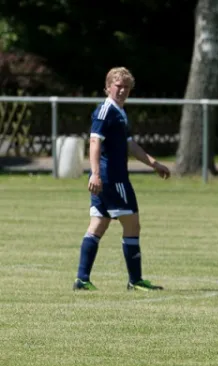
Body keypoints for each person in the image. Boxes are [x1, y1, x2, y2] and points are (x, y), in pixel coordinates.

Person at [73, 67, 171, 291]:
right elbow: (94, 142)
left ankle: (82, 279)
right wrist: (96, 173)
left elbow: (130, 145)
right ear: (108, 87)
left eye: (126, 87)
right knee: (132, 225)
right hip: (112, 179)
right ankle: (135, 281)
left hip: (108, 178)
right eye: (118, 86)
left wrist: (154, 164)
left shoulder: (119, 112)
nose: (122, 90)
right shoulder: (106, 110)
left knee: (98, 224)